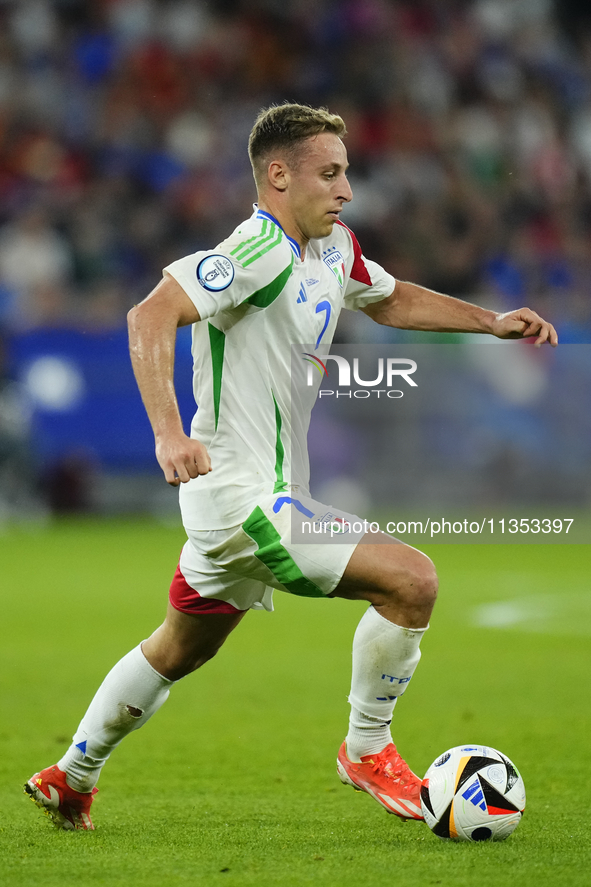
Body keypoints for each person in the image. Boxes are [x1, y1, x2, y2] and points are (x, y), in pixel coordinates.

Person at [25, 104, 558, 831]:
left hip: (265, 496)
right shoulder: (254, 250)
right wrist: (166, 433)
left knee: (176, 648)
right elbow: (148, 316)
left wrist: (489, 322)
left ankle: (72, 775)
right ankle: (367, 748)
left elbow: (391, 296)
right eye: (330, 174)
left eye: (346, 173)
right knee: (412, 579)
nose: (345, 191)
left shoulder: (333, 248)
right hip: (239, 496)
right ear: (278, 175)